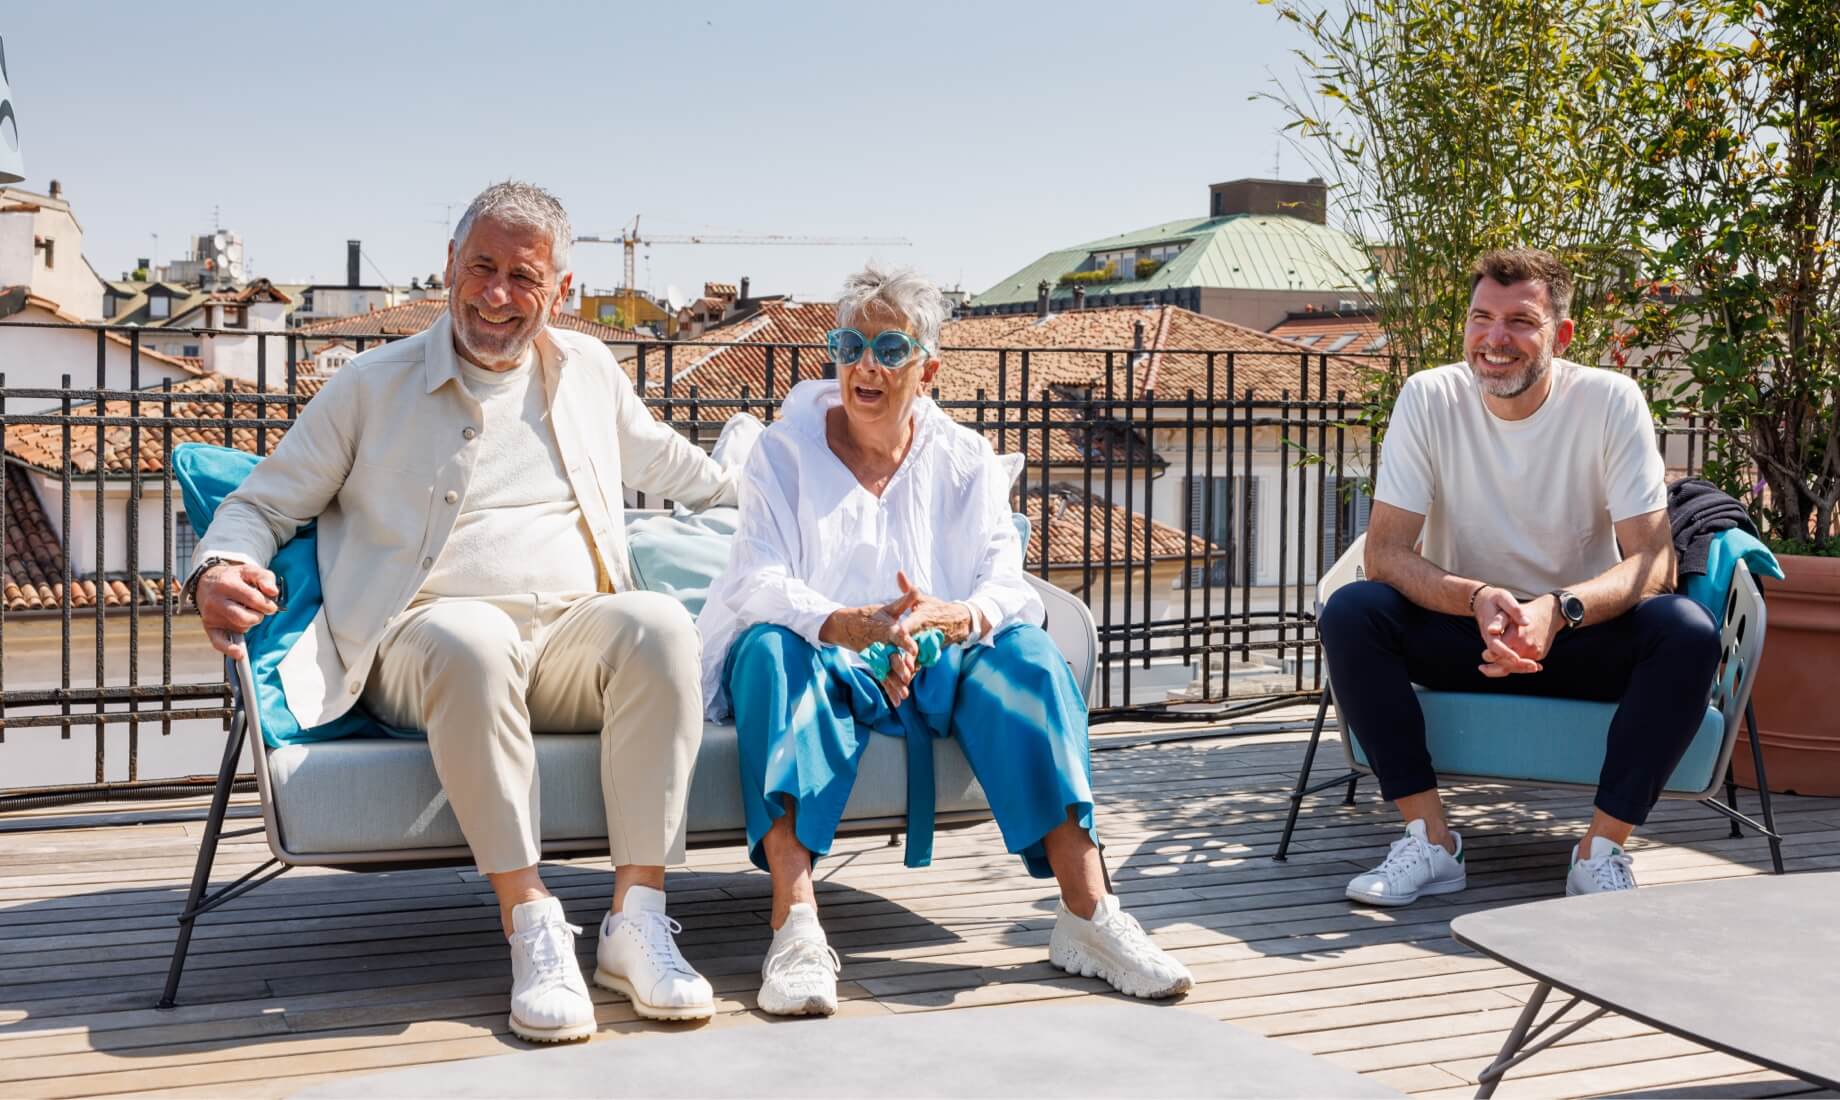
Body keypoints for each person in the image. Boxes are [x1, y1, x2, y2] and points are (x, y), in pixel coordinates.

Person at [188, 182, 729, 1041]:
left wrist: (818, 494)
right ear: (449, 266)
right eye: (482, 266)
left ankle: (636, 922)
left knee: (658, 623)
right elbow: (263, 504)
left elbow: (682, 470)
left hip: (563, 645)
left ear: (560, 289)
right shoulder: (372, 385)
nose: (498, 293)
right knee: (472, 635)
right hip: (421, 644)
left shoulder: (588, 370)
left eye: (524, 275)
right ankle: (533, 923)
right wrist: (219, 566)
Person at [696, 262, 1193, 1017]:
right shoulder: (782, 451)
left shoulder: (965, 459)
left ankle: (1089, 917)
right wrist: (847, 625)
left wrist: (948, 618)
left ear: (927, 368)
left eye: (888, 349)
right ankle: (794, 929)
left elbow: (1006, 584)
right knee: (766, 648)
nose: (865, 365)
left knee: (1028, 654)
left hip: (937, 661)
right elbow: (757, 581)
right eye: (850, 345)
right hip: (818, 653)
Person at [1316, 248, 1721, 907]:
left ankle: (1600, 851)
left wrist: (1558, 612)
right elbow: (1385, 554)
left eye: (1520, 321)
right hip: (1464, 631)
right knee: (1354, 610)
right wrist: (1475, 598)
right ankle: (1431, 841)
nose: (1495, 339)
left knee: (1686, 630)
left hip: (1582, 634)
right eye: (1482, 318)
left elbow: (1654, 564)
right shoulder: (1428, 396)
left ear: (1559, 335)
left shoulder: (1610, 401)